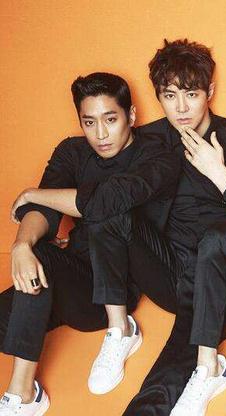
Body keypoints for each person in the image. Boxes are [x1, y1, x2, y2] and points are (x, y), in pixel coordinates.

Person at [114, 39, 226, 416]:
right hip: (173, 274)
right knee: (114, 209)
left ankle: (201, 374)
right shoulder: (149, 142)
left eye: (191, 94)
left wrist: (219, 174)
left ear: (210, 92)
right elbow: (101, 188)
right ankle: (121, 333)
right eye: (169, 96)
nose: (181, 107)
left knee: (217, 239)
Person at [0, 72, 180, 415]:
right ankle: (36, 306)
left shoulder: (157, 156)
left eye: (110, 120)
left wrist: (32, 193)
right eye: (89, 122)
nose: (100, 134)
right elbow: (43, 213)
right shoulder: (72, 151)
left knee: (103, 214)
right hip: (71, 275)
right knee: (35, 262)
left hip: (116, 289)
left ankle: (23, 395)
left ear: (131, 115)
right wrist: (22, 245)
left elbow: (104, 201)